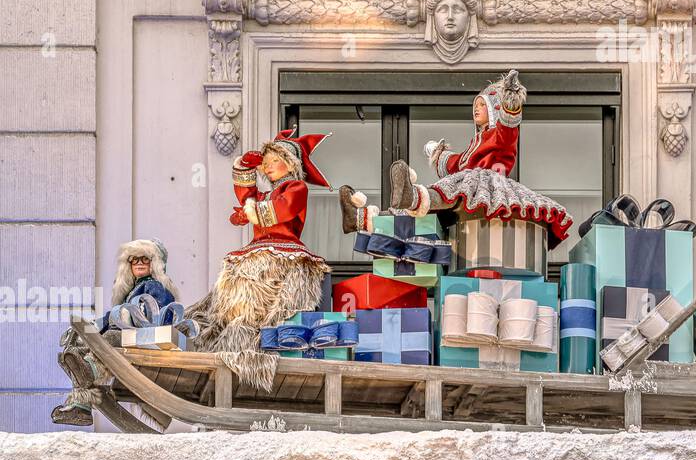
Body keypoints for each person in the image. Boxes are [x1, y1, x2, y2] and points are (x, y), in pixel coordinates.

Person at [339, 70, 571, 249]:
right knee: (422, 212)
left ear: (494, 108)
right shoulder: (475, 143)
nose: (476, 109)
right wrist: (439, 155)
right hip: (468, 185)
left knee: (447, 190)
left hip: (489, 184)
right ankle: (360, 218)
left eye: (482, 105)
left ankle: (412, 196)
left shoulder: (500, 135)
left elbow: (510, 128)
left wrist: (511, 101)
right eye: (475, 105)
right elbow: (458, 163)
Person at [185, 128, 332, 390]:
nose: (267, 166)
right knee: (232, 302)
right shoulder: (268, 194)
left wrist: (250, 211)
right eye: (265, 162)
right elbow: (247, 195)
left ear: (290, 163)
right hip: (258, 250)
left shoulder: (296, 188)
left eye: (273, 160)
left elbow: (278, 211)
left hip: (283, 252)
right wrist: (244, 166)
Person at [51, 238, 180, 426]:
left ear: (155, 263)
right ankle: (81, 404)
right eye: (134, 260)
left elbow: (154, 315)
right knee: (81, 347)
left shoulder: (155, 286)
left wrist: (120, 318)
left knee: (110, 337)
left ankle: (89, 371)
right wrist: (90, 329)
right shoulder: (132, 290)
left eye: (145, 259)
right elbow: (116, 315)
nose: (139, 263)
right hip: (129, 337)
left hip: (145, 339)